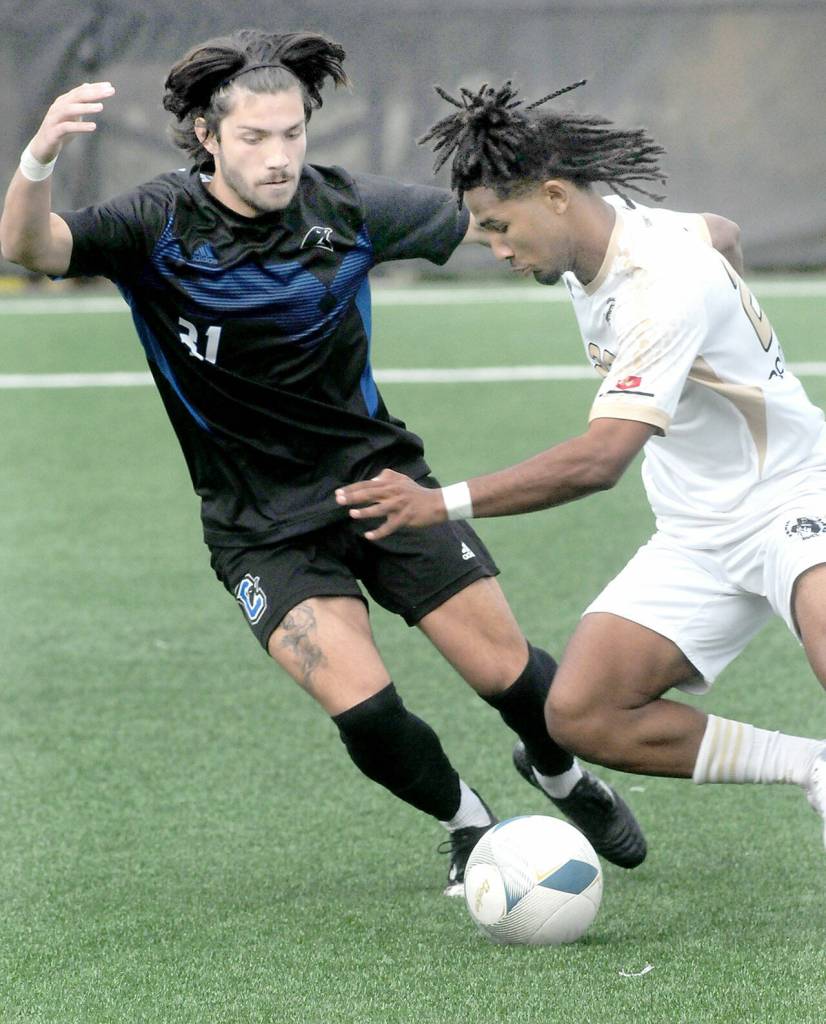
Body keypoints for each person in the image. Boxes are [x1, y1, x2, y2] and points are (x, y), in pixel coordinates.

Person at [0, 33, 649, 897]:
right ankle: (469, 826)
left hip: (381, 485)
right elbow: (31, 248)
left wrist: (645, 256)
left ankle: (561, 775)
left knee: (510, 675)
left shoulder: (345, 208)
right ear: (206, 135)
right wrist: (40, 155)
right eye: (255, 138)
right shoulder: (155, 225)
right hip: (259, 524)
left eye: (293, 134)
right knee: (370, 714)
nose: (278, 157)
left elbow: (497, 222)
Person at [334, 79, 826, 848]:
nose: (494, 248)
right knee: (580, 713)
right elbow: (723, 231)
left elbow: (600, 461)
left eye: (500, 227)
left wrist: (439, 504)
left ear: (556, 196)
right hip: (699, 528)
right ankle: (815, 768)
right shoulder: (604, 242)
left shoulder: (660, 283)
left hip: (796, 493)